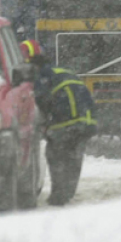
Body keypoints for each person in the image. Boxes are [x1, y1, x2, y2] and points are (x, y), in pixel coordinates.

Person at [20, 39, 97, 206]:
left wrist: (40, 125)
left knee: (56, 155)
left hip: (67, 121)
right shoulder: (59, 71)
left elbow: (40, 102)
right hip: (87, 120)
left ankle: (59, 196)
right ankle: (67, 193)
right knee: (73, 156)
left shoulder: (43, 76)